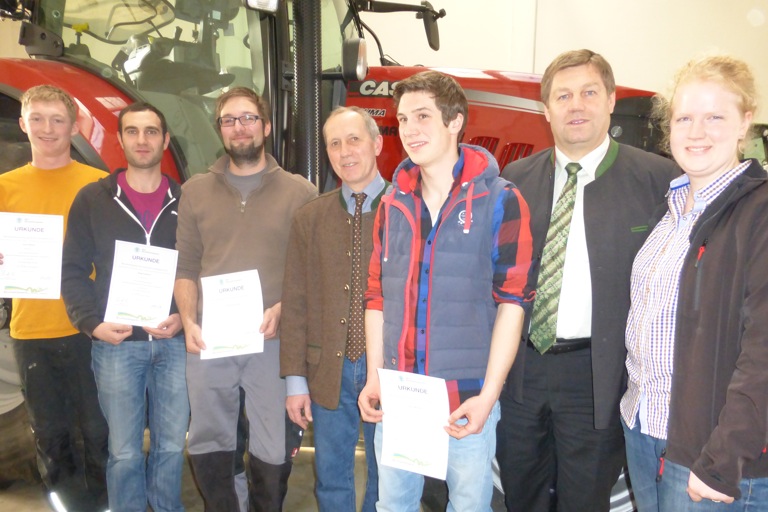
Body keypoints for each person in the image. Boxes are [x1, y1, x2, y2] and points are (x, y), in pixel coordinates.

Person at [496, 49, 680, 512]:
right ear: (546, 109)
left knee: (585, 500)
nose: (575, 105)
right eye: (563, 96)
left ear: (611, 100)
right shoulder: (515, 178)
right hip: (521, 370)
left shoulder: (659, 180)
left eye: (589, 93)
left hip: (597, 376)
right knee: (519, 493)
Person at [358, 70, 535, 511]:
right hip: (401, 399)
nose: (409, 130)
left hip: (465, 401)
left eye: (422, 116)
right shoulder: (391, 203)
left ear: (455, 121)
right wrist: (375, 376)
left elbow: (513, 304)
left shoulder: (501, 200)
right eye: (403, 119)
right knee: (392, 507)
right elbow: (377, 298)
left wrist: (488, 397)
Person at [620, 55, 768, 511]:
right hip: (644, 428)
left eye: (715, 117)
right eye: (684, 118)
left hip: (709, 451)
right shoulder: (670, 209)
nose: (696, 132)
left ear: (744, 123)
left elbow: (764, 352)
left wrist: (724, 459)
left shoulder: (759, 213)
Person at [174, 87, 317, 512]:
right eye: (229, 120)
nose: (239, 127)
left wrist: (283, 310)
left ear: (266, 126)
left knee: (272, 444)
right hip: (209, 340)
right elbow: (186, 267)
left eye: (249, 118)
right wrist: (189, 320)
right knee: (209, 440)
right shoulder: (195, 191)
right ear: (220, 129)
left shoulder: (300, 192)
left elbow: (310, 271)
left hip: (271, 339)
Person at [60, 102, 189, 512]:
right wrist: (91, 324)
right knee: (125, 451)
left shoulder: (187, 200)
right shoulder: (93, 199)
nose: (142, 140)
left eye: (151, 131)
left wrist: (186, 317)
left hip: (174, 343)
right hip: (116, 345)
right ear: (120, 139)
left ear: (165, 140)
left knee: (172, 445)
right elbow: (72, 269)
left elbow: (202, 268)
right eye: (132, 131)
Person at [0, 84, 109, 511]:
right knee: (50, 436)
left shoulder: (99, 185)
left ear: (74, 127)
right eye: (38, 119)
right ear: (23, 124)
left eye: (58, 119)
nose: (47, 129)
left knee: (98, 432)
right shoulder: (5, 187)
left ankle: (105, 505)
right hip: (31, 332)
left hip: (90, 330)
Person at [281, 106, 384, 511]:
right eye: (334, 144)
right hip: (327, 370)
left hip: (388, 369)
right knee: (331, 479)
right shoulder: (309, 218)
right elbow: (296, 302)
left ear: (377, 144)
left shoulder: (407, 209)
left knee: (388, 480)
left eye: (354, 139)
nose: (345, 152)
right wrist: (295, 382)